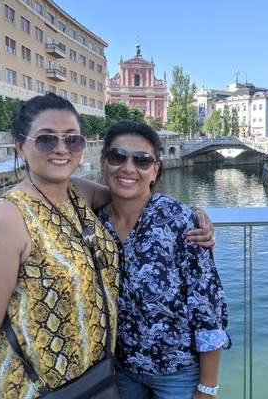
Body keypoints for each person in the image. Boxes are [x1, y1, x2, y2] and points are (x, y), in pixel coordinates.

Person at [0, 94, 213, 398]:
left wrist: (193, 216)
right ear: (19, 145)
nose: (61, 149)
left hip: (97, 381)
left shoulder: (76, 193)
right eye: (45, 140)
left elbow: (128, 193)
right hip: (34, 388)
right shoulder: (5, 219)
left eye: (72, 140)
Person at [97, 121, 230, 399]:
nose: (128, 167)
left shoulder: (180, 220)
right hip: (120, 371)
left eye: (142, 160)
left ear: (155, 169)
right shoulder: (94, 223)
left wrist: (207, 388)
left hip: (178, 374)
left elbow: (207, 306)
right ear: (104, 162)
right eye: (117, 156)